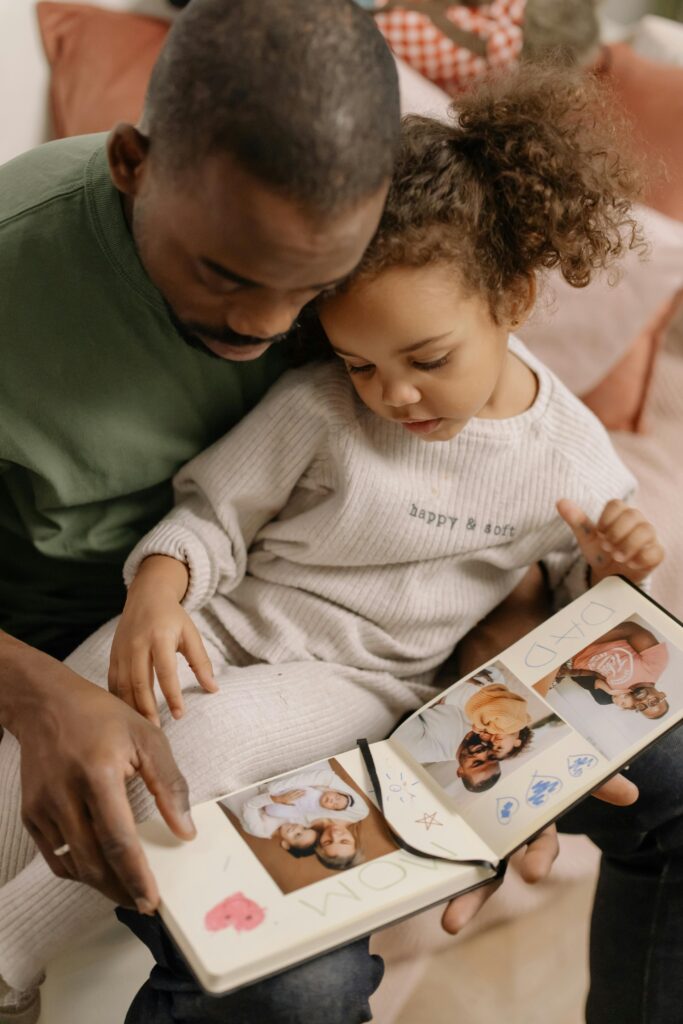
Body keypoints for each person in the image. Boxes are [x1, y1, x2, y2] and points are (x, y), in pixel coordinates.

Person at [0, 11, 664, 1024]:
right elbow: (214, 514)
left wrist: (535, 633)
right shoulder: (312, 398)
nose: (272, 329)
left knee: (202, 740)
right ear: (135, 164)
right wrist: (118, 624)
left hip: (359, 684)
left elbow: (561, 581)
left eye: (308, 293)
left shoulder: (533, 428)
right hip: (180, 624)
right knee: (94, 740)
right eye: (229, 277)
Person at [554, 621, 670, 719]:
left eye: (642, 707)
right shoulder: (657, 664)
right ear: (661, 694)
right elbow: (631, 629)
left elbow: (595, 674)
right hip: (580, 638)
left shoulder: (620, 690)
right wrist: (580, 642)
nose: (644, 700)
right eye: (653, 702)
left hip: (567, 660)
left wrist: (569, 672)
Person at [236, 767, 369, 839]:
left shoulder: (303, 825)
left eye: (327, 843)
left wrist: (275, 798)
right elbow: (326, 778)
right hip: (282, 776)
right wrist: (274, 790)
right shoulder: (355, 812)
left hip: (250, 786)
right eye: (344, 841)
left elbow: (252, 805)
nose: (334, 835)